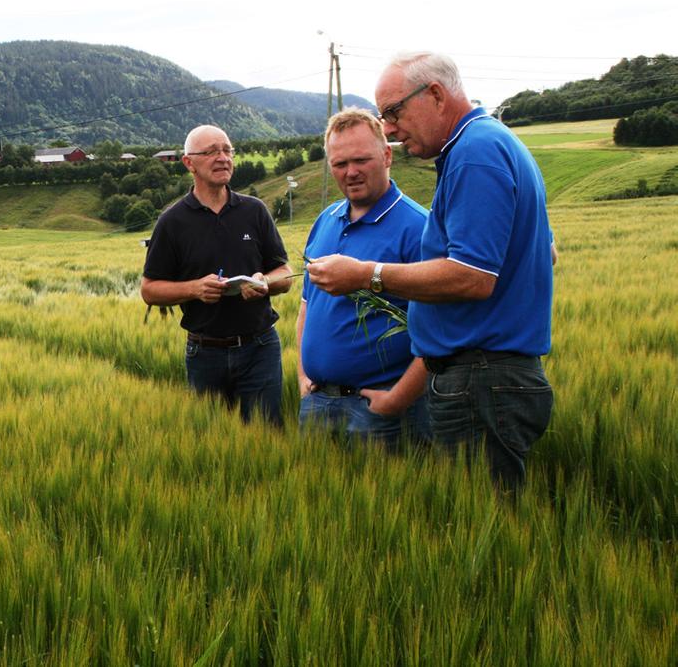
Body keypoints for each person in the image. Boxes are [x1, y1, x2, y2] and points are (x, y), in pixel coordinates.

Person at [307, 52, 554, 490]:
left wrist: (367, 275)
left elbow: (472, 276)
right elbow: (540, 251)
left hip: (481, 379)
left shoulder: (474, 151)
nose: (390, 127)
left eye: (394, 112)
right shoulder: (489, 143)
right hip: (485, 380)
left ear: (436, 95)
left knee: (482, 524)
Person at [141, 125, 293, 427]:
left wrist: (264, 283)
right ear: (189, 163)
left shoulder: (255, 211)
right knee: (210, 438)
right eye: (211, 151)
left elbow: (285, 274)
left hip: (260, 348)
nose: (222, 158)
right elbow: (150, 290)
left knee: (266, 438)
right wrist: (195, 289)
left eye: (227, 150)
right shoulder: (172, 222)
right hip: (204, 353)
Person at [297, 108, 430, 447]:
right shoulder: (325, 220)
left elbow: (444, 329)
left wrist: (398, 398)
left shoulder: (419, 228)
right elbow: (307, 305)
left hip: (379, 410)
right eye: (339, 164)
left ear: (387, 156)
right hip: (316, 403)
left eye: (361, 160)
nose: (351, 172)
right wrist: (302, 374)